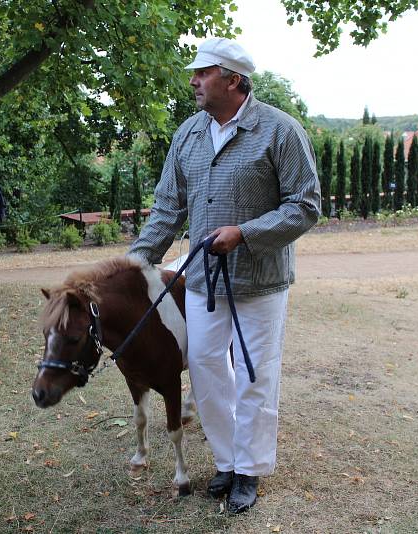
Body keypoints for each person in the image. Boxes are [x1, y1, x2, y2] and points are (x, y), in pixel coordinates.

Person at [128, 38, 321, 514]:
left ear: (233, 79)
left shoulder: (279, 130)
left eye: (203, 72)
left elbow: (306, 206)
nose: (193, 80)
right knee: (207, 369)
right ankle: (227, 460)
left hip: (259, 284)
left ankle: (250, 470)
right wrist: (134, 262)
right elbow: (169, 207)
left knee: (256, 377)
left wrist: (247, 233)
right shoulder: (188, 134)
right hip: (202, 284)